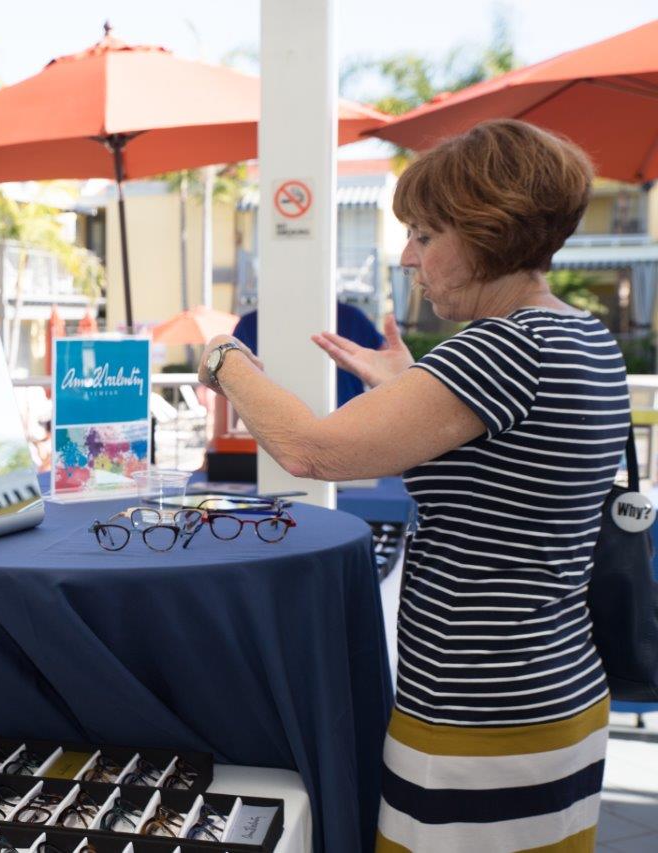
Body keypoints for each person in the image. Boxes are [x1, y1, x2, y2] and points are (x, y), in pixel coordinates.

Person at [198, 119, 626, 851]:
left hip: (480, 714)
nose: (407, 256)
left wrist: (224, 356)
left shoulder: (503, 347)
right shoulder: (581, 335)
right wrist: (411, 384)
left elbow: (308, 449)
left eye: (426, 236)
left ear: (490, 231)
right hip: (552, 689)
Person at [235, 300, 389, 407]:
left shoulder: (353, 318)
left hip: (276, 435)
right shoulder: (353, 317)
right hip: (347, 428)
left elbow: (228, 383)